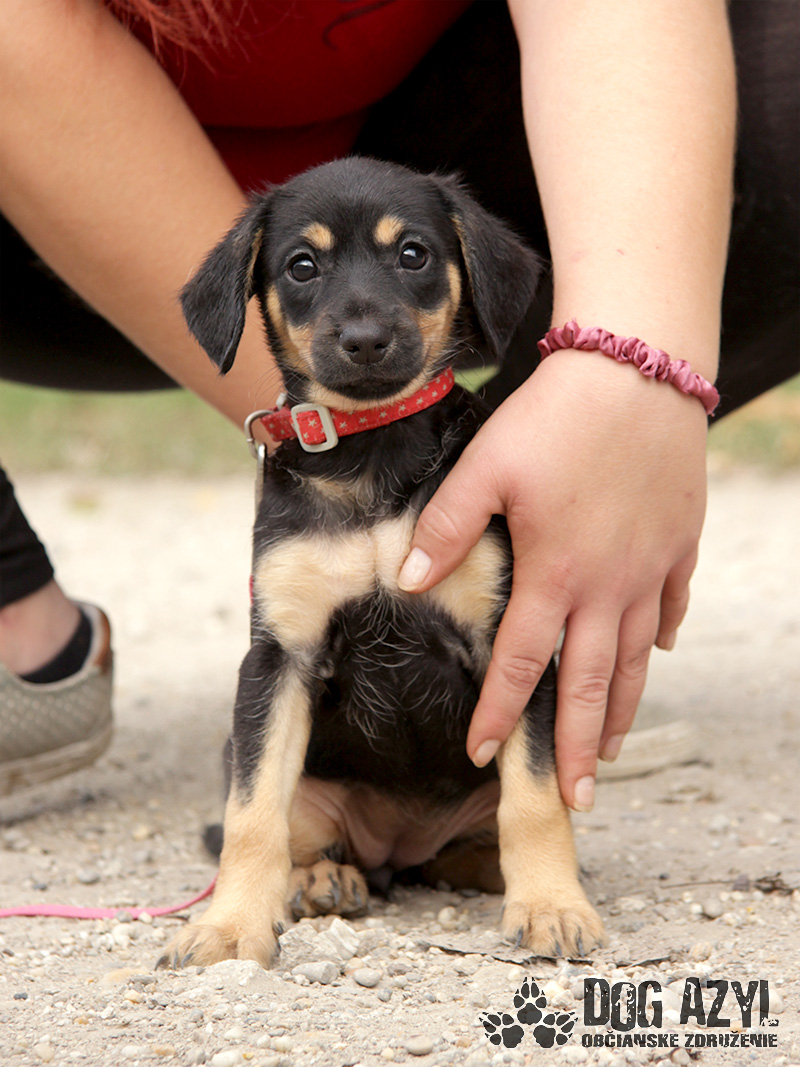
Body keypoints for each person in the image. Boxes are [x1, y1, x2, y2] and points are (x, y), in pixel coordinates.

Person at [1, 1, 797, 808]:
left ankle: (506, 535)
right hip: (46, 227)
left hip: (469, 125)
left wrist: (630, 363)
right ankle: (17, 608)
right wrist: (330, 444)